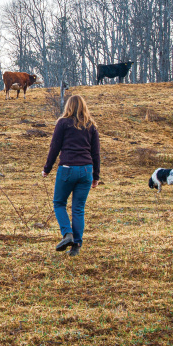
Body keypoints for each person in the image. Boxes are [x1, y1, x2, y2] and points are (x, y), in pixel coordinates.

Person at [42, 94, 100, 257]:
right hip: (86, 170)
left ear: (69, 107)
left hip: (67, 168)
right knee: (78, 209)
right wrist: (96, 176)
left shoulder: (63, 123)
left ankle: (67, 234)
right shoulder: (91, 126)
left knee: (59, 203)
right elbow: (96, 153)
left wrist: (47, 168)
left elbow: (54, 147)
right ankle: (76, 245)